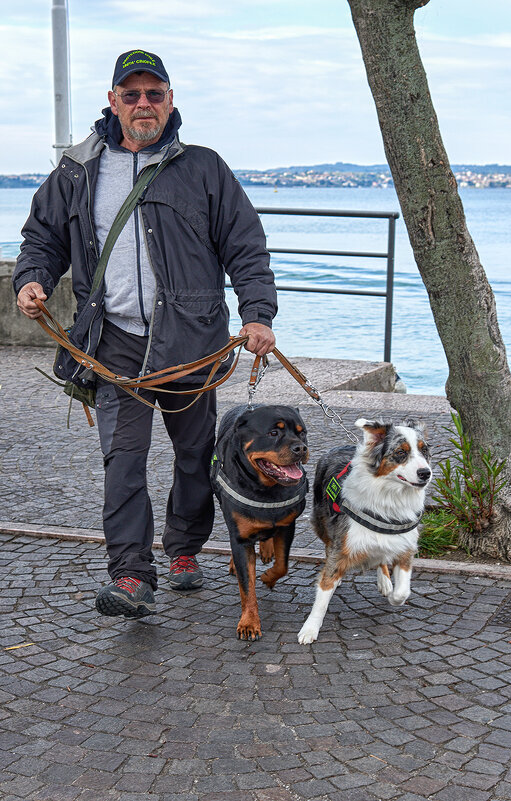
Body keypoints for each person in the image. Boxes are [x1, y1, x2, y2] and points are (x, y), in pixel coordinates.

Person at [14, 49, 277, 619]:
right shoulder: (78, 171)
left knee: (193, 454)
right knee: (124, 459)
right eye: (130, 95)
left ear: (170, 100)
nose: (142, 104)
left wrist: (258, 313)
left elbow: (246, 246)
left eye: (153, 94)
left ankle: (183, 550)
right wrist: (31, 279)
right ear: (113, 101)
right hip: (114, 342)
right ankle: (132, 573)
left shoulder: (204, 167)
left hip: (192, 341)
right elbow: (42, 238)